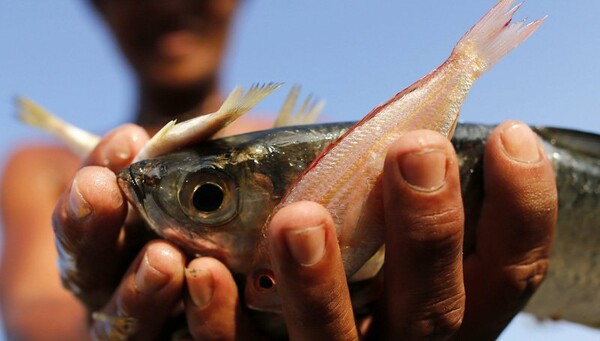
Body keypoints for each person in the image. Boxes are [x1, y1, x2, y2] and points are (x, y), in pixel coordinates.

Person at [0, 1, 557, 339]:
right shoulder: (43, 167)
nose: (168, 2)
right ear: (99, 7)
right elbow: (31, 306)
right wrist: (96, 329)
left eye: (208, 198)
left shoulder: (337, 137)